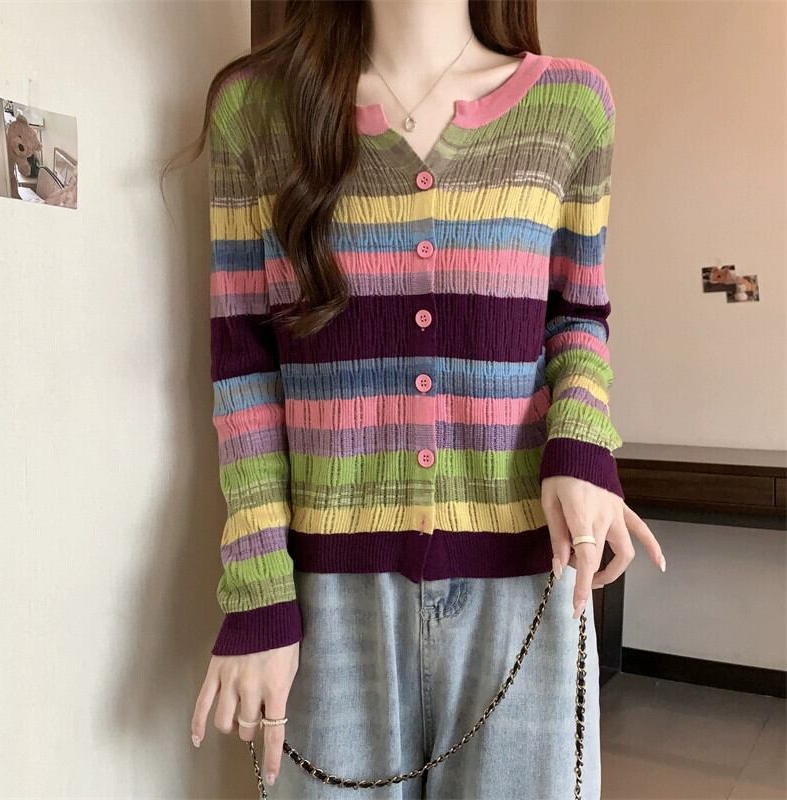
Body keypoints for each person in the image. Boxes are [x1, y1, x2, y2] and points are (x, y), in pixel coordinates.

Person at [186, 1, 666, 797]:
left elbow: (577, 313)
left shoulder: (571, 106)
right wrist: (258, 591)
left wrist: (581, 444)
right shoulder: (256, 112)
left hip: (528, 580)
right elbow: (243, 370)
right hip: (328, 599)